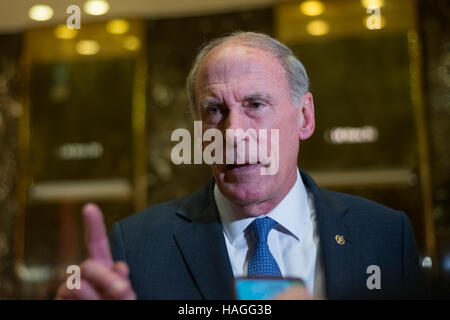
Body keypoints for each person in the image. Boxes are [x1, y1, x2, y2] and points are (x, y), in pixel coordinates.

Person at [56, 31, 421, 300]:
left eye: (255, 105)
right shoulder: (137, 247)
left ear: (305, 117)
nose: (233, 133)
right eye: (215, 110)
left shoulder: (385, 236)